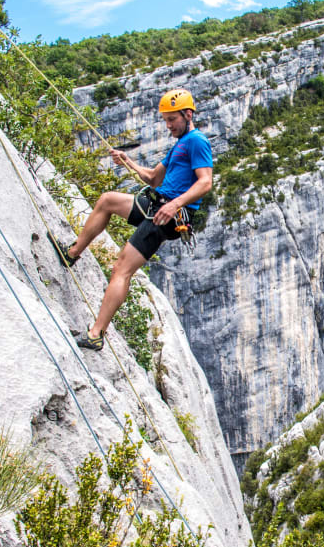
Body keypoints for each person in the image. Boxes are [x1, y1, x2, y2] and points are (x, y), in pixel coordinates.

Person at [49, 88, 213, 351]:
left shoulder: (197, 141)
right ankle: (72, 253)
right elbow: (153, 178)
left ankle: (96, 334)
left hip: (167, 215)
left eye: (172, 119)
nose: (168, 125)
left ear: (188, 114)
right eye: (166, 120)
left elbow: (205, 182)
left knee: (121, 270)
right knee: (107, 201)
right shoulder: (180, 144)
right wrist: (128, 161)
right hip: (157, 203)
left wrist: (175, 205)